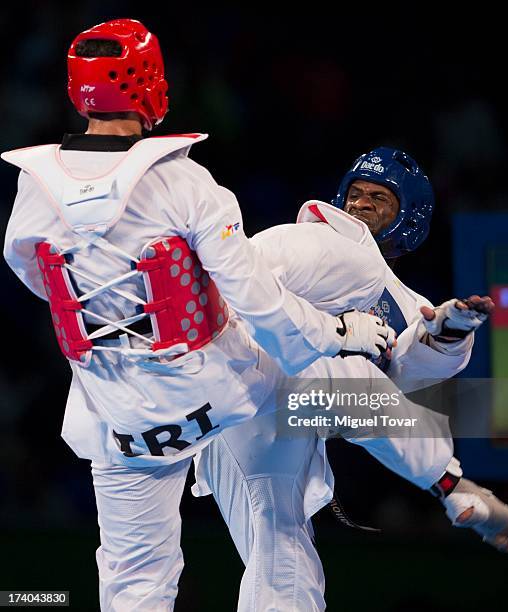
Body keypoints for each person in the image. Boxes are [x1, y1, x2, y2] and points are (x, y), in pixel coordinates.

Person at [1, 20, 396, 611]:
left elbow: (33, 274)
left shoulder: (35, 188)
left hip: (116, 415)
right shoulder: (185, 183)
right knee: (305, 410)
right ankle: (419, 436)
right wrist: (342, 330)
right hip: (216, 390)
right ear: (150, 84)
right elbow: (261, 306)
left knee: (133, 583)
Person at [194, 147, 508, 611]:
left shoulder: (404, 299)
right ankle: (450, 486)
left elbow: (405, 374)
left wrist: (446, 334)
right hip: (233, 372)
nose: (361, 204)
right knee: (345, 360)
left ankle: (450, 486)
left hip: (269, 411)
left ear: (408, 218)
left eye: (379, 198)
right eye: (356, 193)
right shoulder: (314, 238)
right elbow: (240, 272)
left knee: (280, 549)